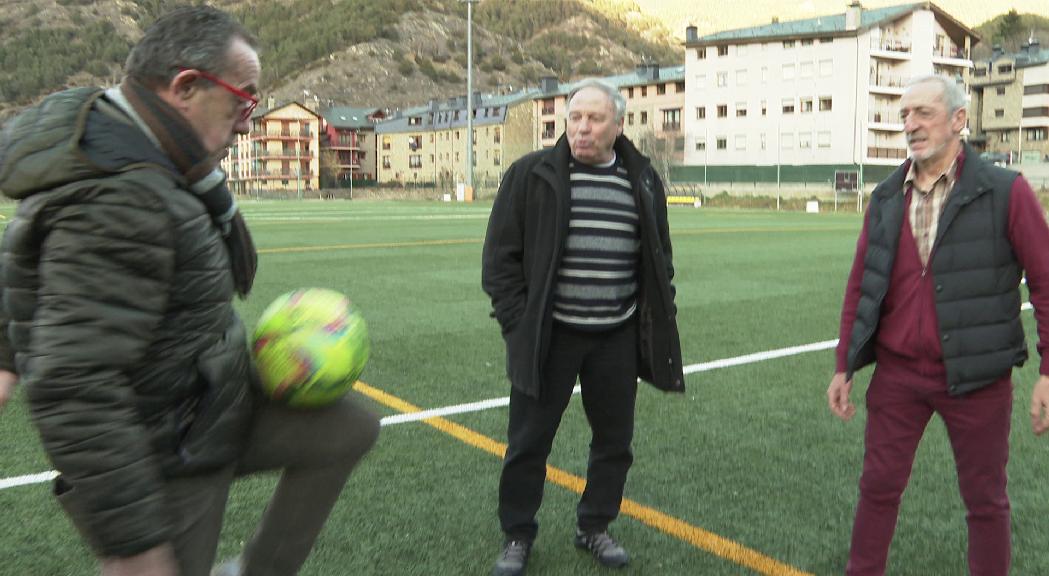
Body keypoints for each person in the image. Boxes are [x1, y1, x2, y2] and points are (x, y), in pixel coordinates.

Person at [0, 6, 379, 576]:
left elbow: (32, 260)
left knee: (347, 426)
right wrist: (135, 548)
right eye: (243, 100)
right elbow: (76, 385)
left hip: (206, 405)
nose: (248, 122)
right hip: (166, 451)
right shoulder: (126, 197)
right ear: (185, 88)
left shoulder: (139, 151)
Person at [827, 74, 1049, 576]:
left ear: (958, 120)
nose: (910, 124)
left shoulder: (1004, 191)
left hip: (976, 378)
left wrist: (1048, 372)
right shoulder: (886, 196)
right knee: (877, 489)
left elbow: (1046, 281)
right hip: (899, 377)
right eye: (905, 114)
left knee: (985, 500)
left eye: (923, 113)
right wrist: (845, 363)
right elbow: (860, 282)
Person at [481, 78, 684, 576]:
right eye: (574, 117)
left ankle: (594, 525)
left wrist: (655, 317)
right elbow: (499, 261)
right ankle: (517, 535)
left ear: (618, 125)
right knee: (528, 443)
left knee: (614, 442)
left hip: (615, 336)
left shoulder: (642, 179)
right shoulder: (531, 175)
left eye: (594, 119)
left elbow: (660, 259)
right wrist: (519, 324)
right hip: (549, 337)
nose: (581, 127)